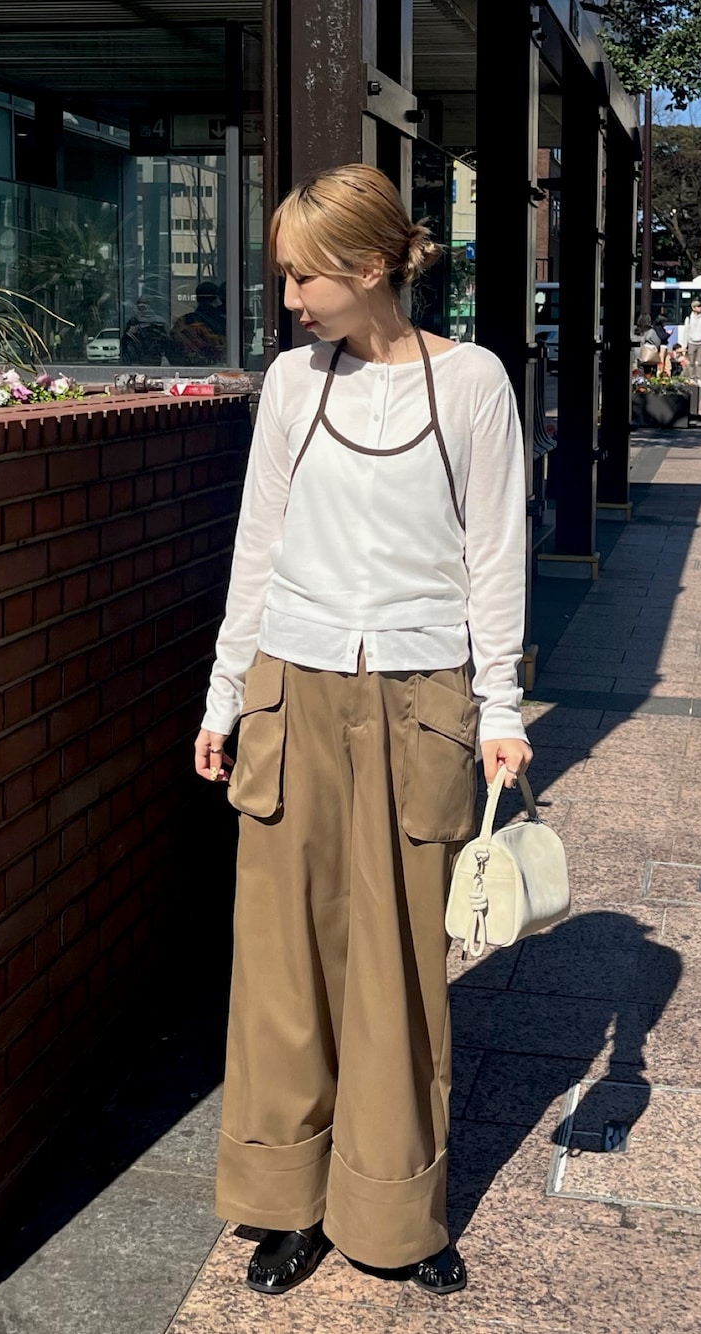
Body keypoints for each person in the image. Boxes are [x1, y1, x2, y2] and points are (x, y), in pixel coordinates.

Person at [194, 162, 532, 1298]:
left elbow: (495, 555)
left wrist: (499, 710)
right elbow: (258, 545)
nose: (290, 299)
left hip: (419, 697)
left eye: (305, 277)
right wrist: (224, 697)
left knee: (400, 966)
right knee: (283, 960)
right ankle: (284, 1200)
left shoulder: (474, 382)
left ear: (374, 265)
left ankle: (393, 1207)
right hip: (291, 687)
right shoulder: (292, 384)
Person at [679, 299, 701, 384]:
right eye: (697, 306)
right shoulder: (689, 317)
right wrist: (684, 345)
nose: (699, 308)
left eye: (700, 306)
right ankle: (692, 378)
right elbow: (686, 331)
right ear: (693, 308)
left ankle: (699, 378)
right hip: (691, 343)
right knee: (691, 362)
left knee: (700, 362)